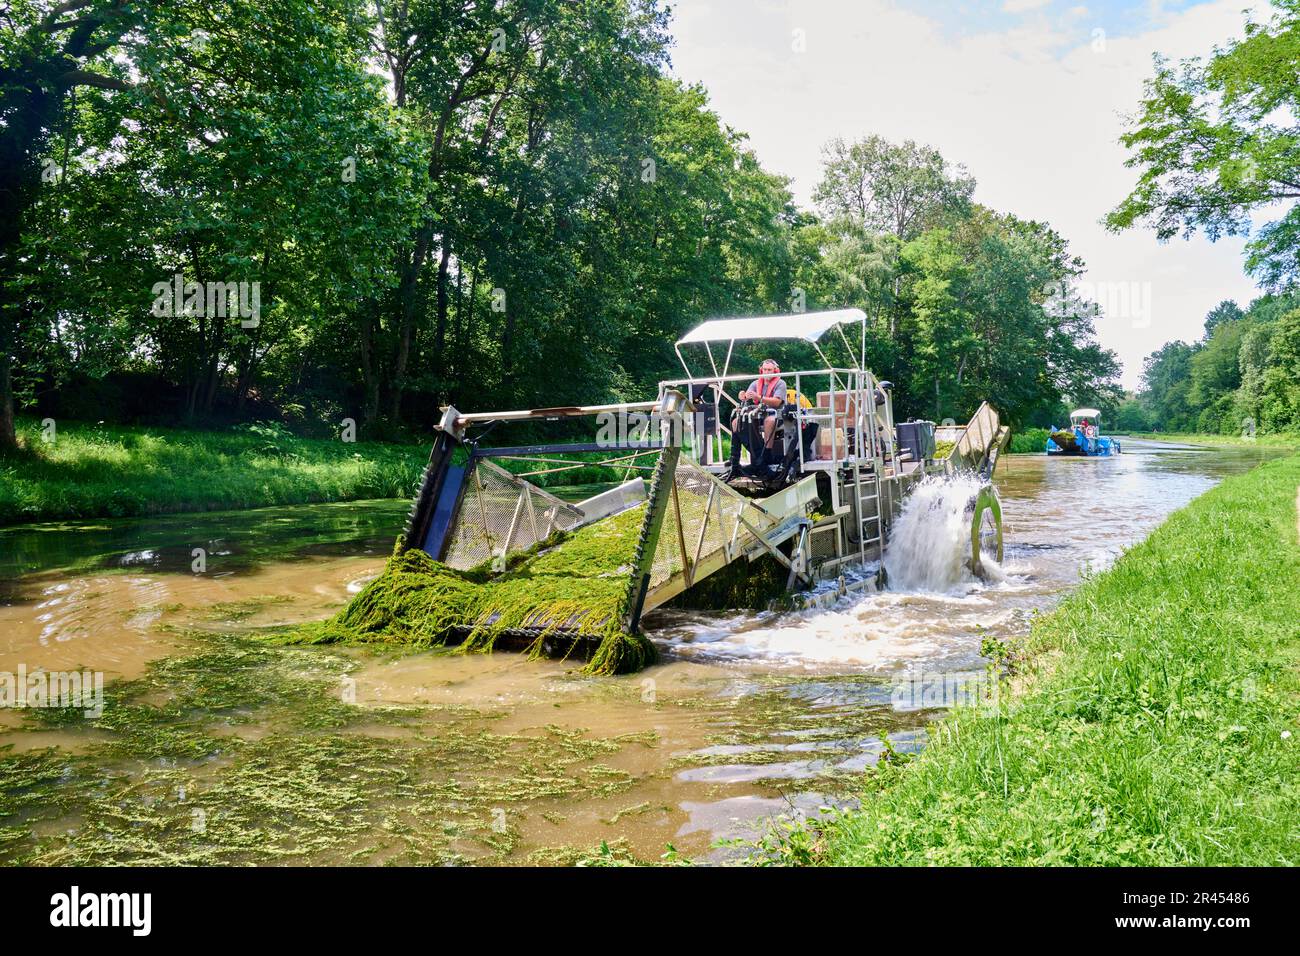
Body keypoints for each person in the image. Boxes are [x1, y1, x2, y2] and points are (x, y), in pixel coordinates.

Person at [722, 358, 786, 480]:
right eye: (765, 370)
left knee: (770, 421)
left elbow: (777, 402)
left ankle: (766, 455)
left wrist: (759, 397)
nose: (767, 372)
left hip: (776, 414)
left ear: (775, 371)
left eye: (770, 370)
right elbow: (747, 395)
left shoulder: (780, 383)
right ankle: (736, 459)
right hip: (758, 414)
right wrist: (742, 395)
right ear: (761, 370)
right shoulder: (756, 383)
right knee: (736, 422)